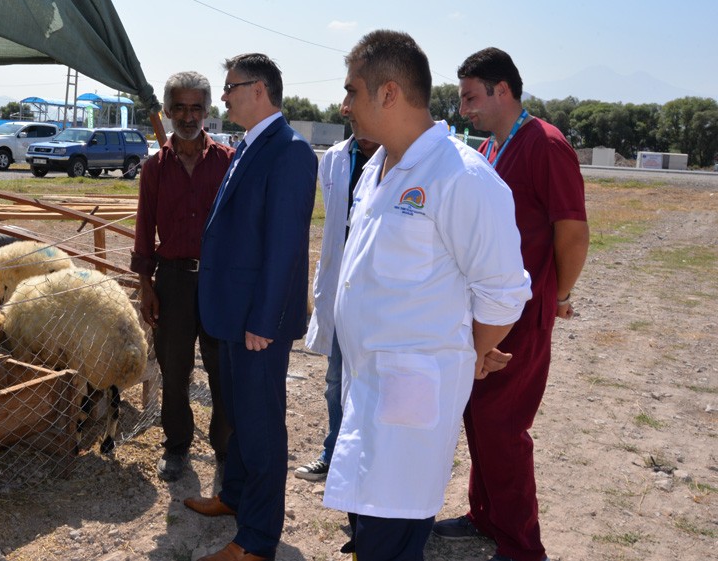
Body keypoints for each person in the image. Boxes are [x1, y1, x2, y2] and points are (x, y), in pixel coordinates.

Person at [321, 30, 532, 561]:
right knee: (370, 525)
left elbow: (504, 293)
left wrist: (472, 349)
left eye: (352, 91)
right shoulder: (376, 168)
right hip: (365, 386)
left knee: (391, 535)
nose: (343, 105)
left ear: (388, 93)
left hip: (408, 397)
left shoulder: (461, 177)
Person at [432, 48, 590, 561]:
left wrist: (557, 294)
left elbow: (573, 232)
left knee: (503, 427)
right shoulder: (494, 148)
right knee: (478, 416)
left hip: (520, 316)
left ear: (504, 90)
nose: (464, 110)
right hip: (489, 311)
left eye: (471, 98)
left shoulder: (544, 144)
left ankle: (523, 547)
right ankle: (487, 517)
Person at [183, 53, 317, 561]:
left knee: (261, 428)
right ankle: (235, 497)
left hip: (259, 321)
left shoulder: (290, 152)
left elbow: (285, 247)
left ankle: (257, 539)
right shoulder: (249, 145)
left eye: (231, 87)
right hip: (234, 313)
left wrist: (264, 319)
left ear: (259, 89)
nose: (224, 97)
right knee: (239, 412)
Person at [131, 71, 234, 483]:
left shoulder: (228, 162)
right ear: (168, 111)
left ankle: (225, 450)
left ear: (207, 111)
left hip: (218, 282)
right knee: (174, 370)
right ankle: (176, 446)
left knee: (222, 369)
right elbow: (143, 229)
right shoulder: (155, 168)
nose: (188, 116)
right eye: (180, 108)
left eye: (196, 108)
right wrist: (146, 285)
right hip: (172, 282)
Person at [296, 132, 378, 483]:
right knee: (334, 380)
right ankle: (335, 452)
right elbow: (333, 224)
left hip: (378, 294)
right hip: (341, 287)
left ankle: (370, 461)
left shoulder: (399, 155)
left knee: (374, 382)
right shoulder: (333, 157)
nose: (349, 109)